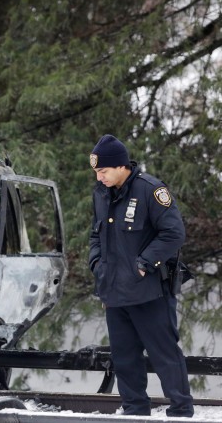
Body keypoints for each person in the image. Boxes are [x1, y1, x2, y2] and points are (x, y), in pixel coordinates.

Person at [88, 134, 193, 417]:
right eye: (97, 172)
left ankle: (181, 410)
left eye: (103, 171)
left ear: (121, 166)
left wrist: (145, 263)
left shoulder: (150, 190)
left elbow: (174, 233)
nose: (100, 178)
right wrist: (97, 263)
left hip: (150, 291)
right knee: (125, 358)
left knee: (165, 354)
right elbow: (95, 235)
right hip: (114, 292)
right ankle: (135, 411)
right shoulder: (101, 194)